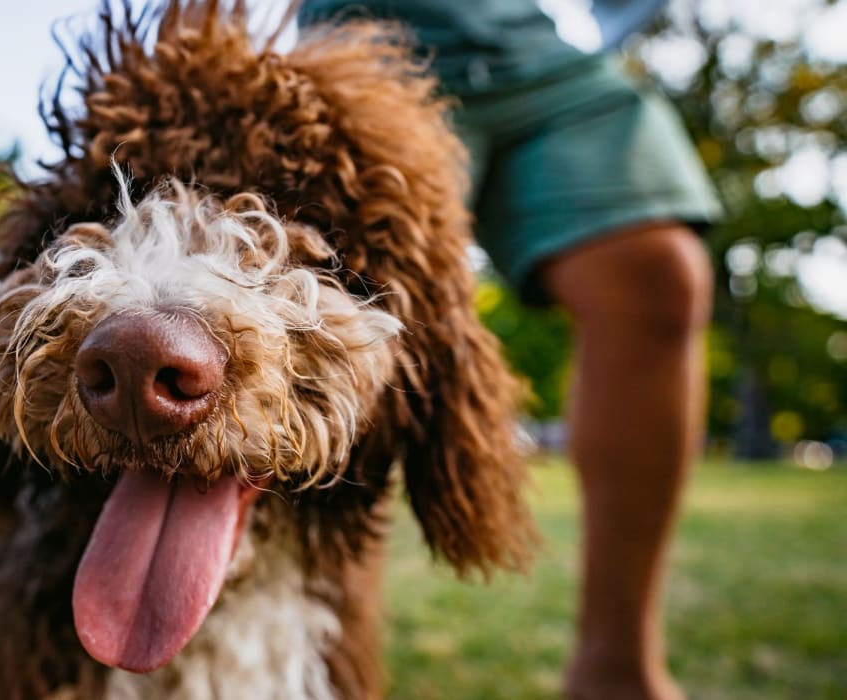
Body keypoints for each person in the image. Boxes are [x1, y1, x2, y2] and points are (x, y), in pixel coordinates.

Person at [298, 1, 722, 699]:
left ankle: (616, 673)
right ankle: (323, 674)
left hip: (528, 42)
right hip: (370, 36)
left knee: (657, 271)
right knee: (353, 327)